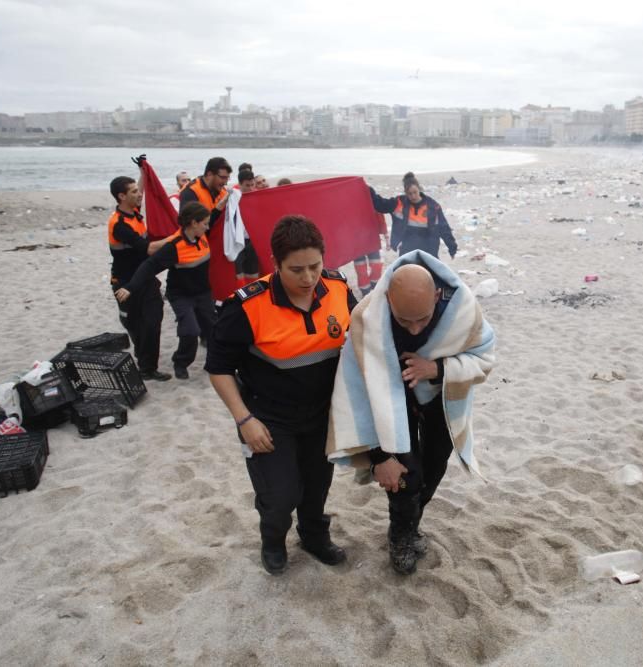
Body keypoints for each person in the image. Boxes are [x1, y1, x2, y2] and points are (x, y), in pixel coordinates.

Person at [205, 215, 357, 575]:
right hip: (268, 419)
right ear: (274, 264)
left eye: (315, 266)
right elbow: (218, 368)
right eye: (296, 270)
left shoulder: (337, 287)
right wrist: (244, 420)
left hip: (322, 416)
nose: (308, 279)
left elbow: (360, 337)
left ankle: (314, 537)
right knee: (280, 495)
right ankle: (272, 541)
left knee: (317, 486)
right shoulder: (246, 306)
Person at [327, 251, 495, 575]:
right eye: (405, 321)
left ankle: (410, 522)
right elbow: (356, 389)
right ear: (388, 296)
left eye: (424, 318)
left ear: (436, 296)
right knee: (404, 474)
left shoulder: (461, 309)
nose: (416, 330)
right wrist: (377, 456)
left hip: (439, 398)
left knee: (432, 469)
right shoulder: (367, 317)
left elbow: (485, 359)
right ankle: (401, 536)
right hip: (389, 402)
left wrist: (437, 367)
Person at [115, 202, 216, 380]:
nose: (208, 226)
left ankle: (215, 362)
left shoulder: (202, 235)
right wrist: (130, 287)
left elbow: (215, 216)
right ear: (193, 223)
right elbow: (149, 266)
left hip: (203, 293)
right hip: (181, 295)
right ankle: (181, 362)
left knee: (212, 329)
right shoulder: (173, 246)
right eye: (205, 223)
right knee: (190, 331)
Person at [107, 175, 171, 381]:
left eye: (138, 190)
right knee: (135, 325)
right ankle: (143, 360)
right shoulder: (119, 224)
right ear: (121, 196)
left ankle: (148, 368)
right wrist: (177, 237)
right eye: (134, 192)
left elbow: (141, 191)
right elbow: (148, 248)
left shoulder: (134, 212)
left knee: (153, 322)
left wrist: (142, 172)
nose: (139, 194)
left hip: (146, 278)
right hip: (124, 283)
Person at [370, 172, 457, 260]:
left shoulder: (433, 206)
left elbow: (444, 228)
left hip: (429, 250)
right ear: (405, 193)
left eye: (415, 192)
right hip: (407, 250)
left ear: (419, 189)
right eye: (409, 194)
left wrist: (452, 248)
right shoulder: (399, 203)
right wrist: (368, 191)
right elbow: (381, 205)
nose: (413, 196)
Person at [180, 157, 232, 223]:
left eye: (227, 178)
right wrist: (218, 209)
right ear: (209, 174)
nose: (225, 182)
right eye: (222, 177)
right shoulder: (191, 192)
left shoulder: (223, 192)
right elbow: (191, 226)